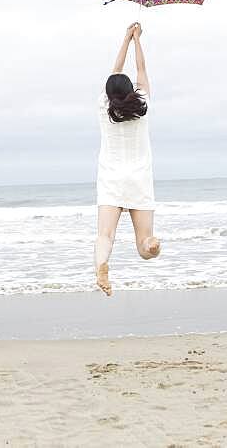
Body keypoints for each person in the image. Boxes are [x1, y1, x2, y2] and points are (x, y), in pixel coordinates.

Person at [94, 21, 160, 296]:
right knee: (143, 246)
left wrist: (125, 38)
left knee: (105, 236)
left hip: (110, 178)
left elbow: (115, 72)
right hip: (139, 179)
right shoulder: (141, 105)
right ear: (130, 90)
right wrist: (137, 41)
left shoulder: (103, 106)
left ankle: (102, 265)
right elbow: (140, 71)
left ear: (109, 94)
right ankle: (152, 244)